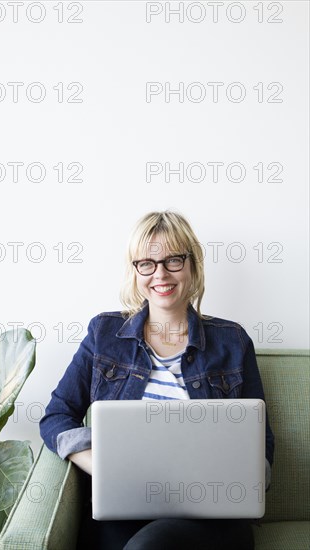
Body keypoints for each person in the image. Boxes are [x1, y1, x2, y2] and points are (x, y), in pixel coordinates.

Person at [40, 210, 274, 550]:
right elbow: (56, 416)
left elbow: (261, 443)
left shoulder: (233, 340)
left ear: (192, 265)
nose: (160, 273)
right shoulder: (103, 334)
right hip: (125, 508)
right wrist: (104, 465)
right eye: (146, 263)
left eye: (173, 260)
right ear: (135, 271)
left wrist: (238, 482)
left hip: (212, 520)